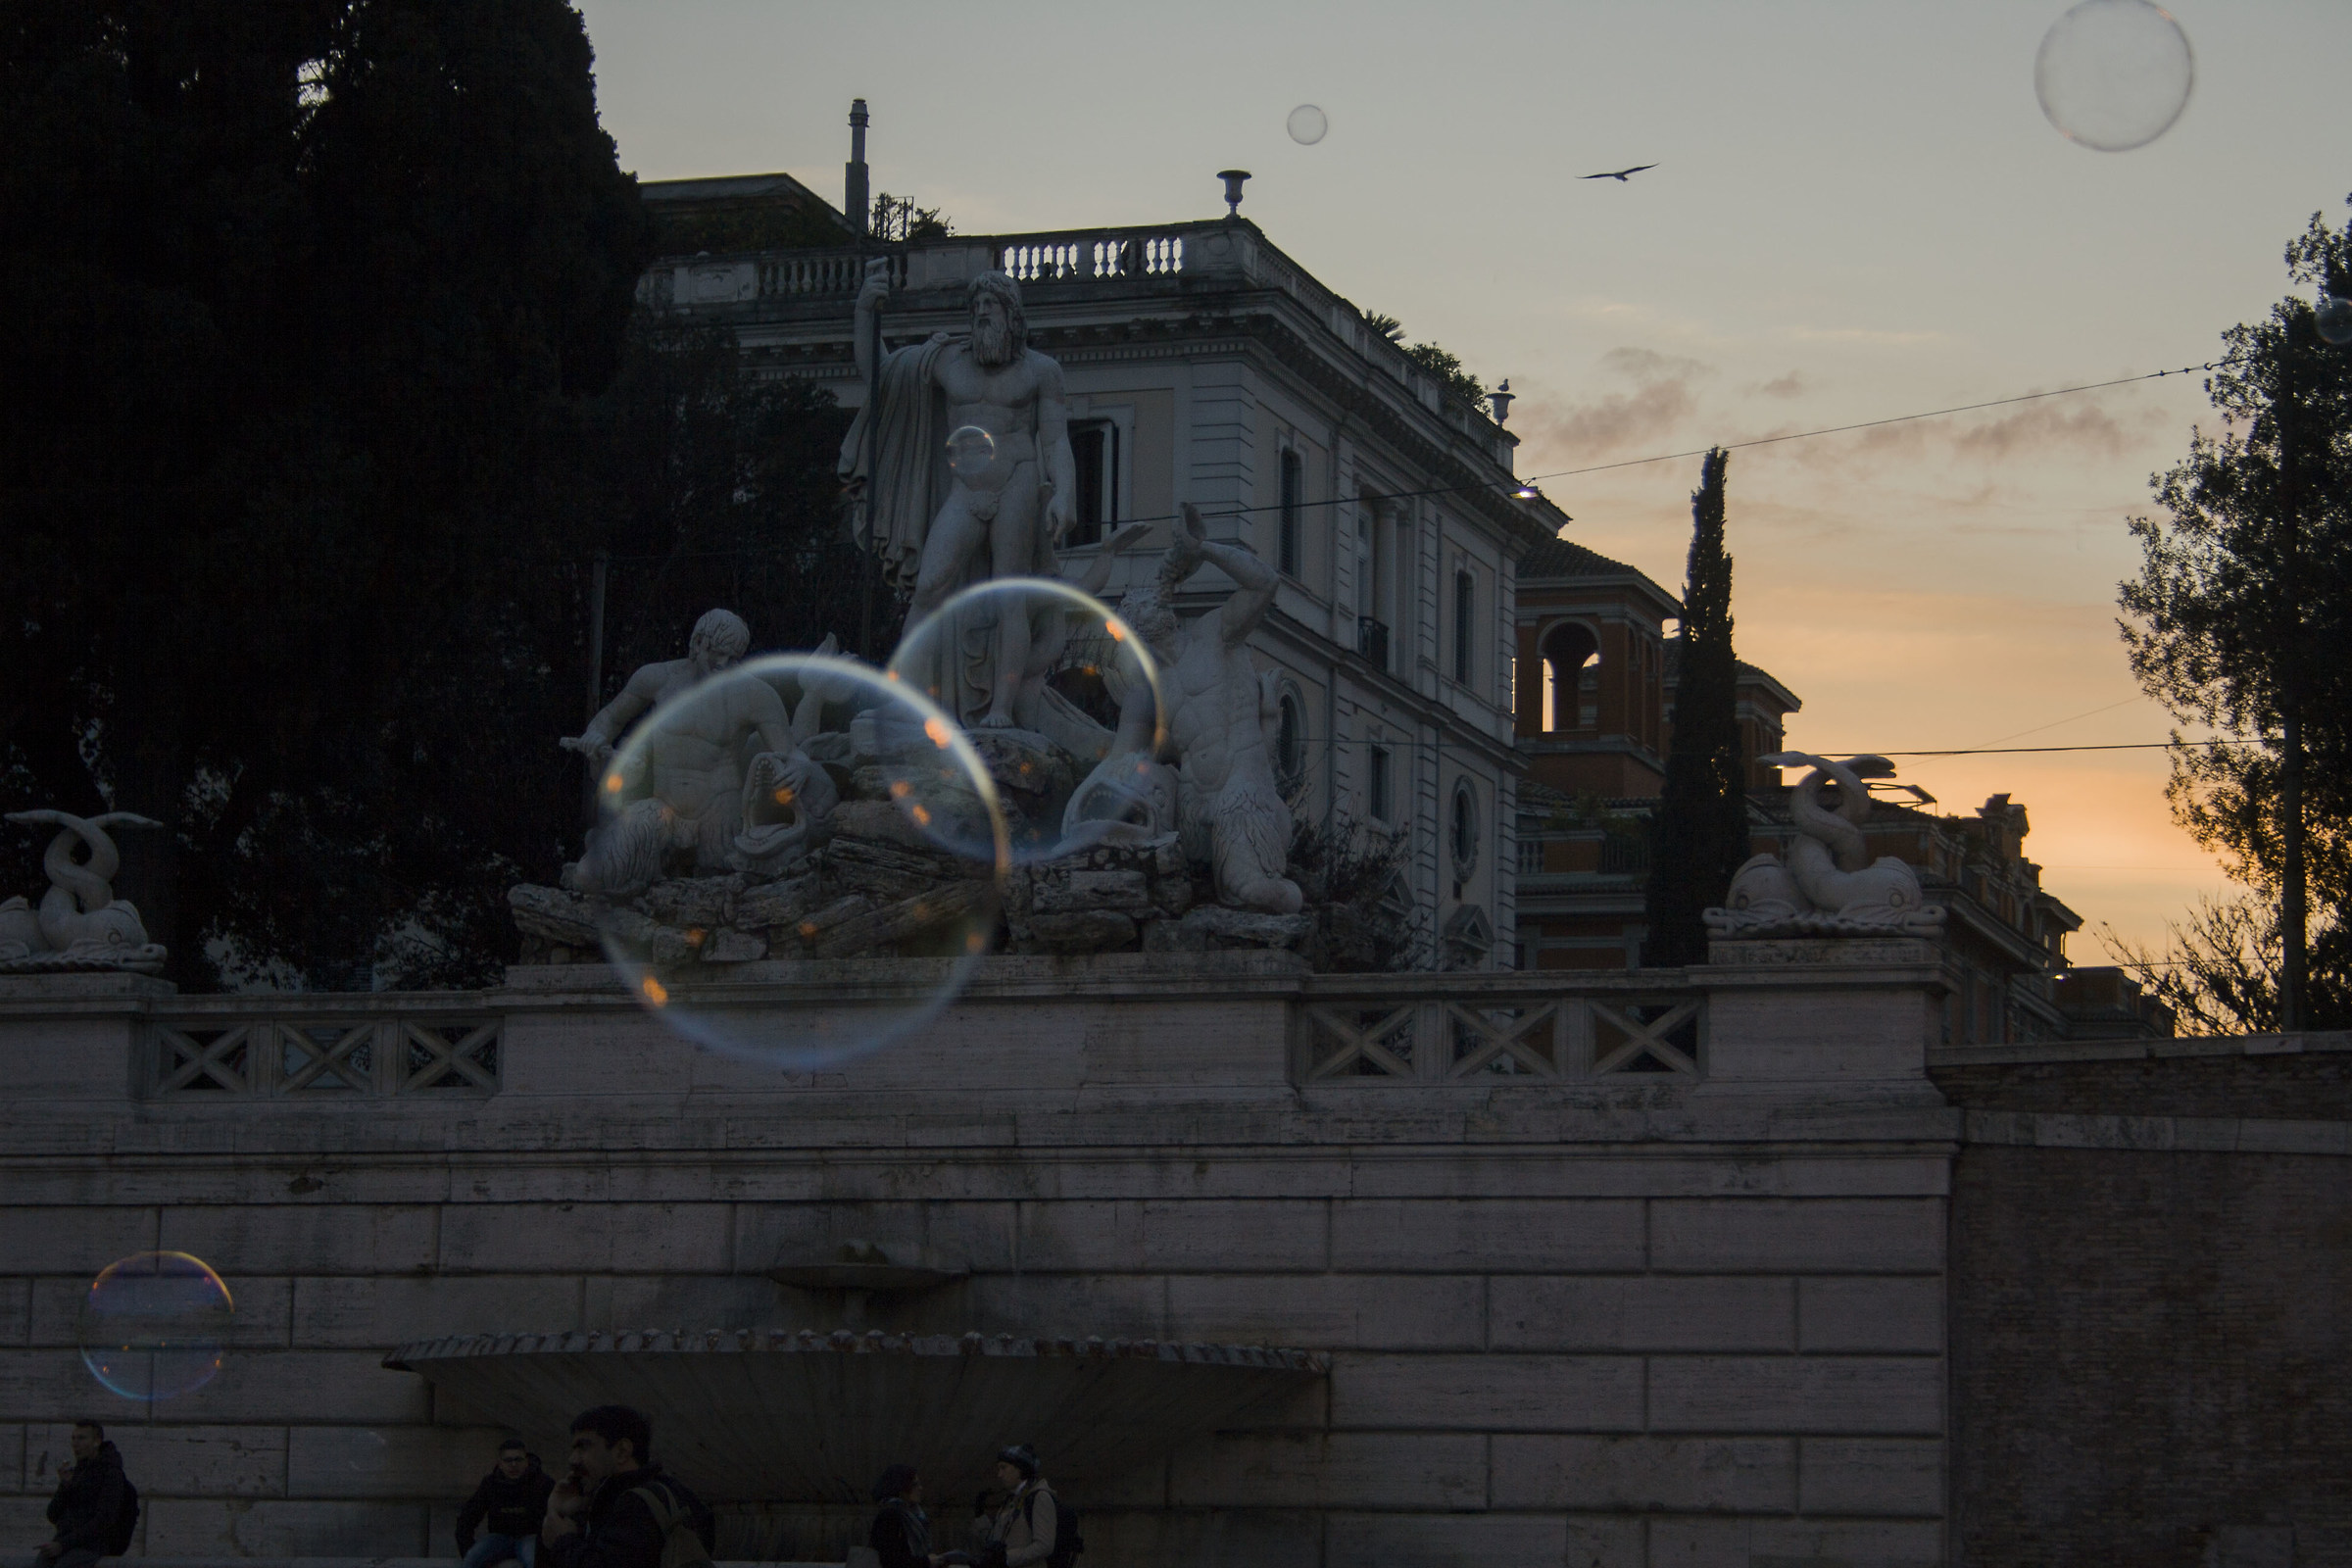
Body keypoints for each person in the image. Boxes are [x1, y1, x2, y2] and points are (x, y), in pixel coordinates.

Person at [845, 265, 1078, 729]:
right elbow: (881, 375)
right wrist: (865, 312)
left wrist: (1065, 493)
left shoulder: (1041, 371)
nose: (980, 316)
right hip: (965, 488)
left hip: (1017, 483)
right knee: (929, 589)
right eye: (975, 309)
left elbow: (1056, 440)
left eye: (989, 307)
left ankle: (1000, 711)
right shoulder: (947, 361)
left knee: (1009, 597)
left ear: (1012, 315)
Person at [540, 1405, 710, 1568]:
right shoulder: (663, 1491)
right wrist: (561, 1511)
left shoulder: (637, 1504)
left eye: (583, 1447)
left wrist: (562, 1542)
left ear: (622, 1451)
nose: (573, 1460)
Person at [34, 1421, 131, 1568]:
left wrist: (63, 1544)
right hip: (66, 1543)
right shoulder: (79, 1471)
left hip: (90, 1546)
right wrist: (65, 1486)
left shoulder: (111, 1473)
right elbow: (53, 1514)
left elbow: (103, 1519)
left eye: (81, 1438)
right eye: (73, 1438)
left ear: (96, 1442)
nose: (75, 1443)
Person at [456, 1438, 555, 1568]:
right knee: (471, 1560)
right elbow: (468, 1517)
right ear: (500, 1463)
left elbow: (558, 1516)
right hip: (499, 1538)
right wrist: (467, 1549)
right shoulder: (490, 1484)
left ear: (527, 1461)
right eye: (508, 1460)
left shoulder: (544, 1483)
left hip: (531, 1537)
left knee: (536, 1562)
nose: (513, 1465)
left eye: (518, 1459)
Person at [978, 1446, 1059, 1568]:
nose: (999, 1474)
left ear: (1020, 1469)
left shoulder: (1039, 1497)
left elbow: (1044, 1546)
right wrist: (980, 1517)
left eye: (1003, 1468)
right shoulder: (1010, 1500)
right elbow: (996, 1539)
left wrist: (1007, 1559)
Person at [864, 1464, 955, 1568]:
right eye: (915, 1484)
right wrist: (926, 1562)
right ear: (902, 1487)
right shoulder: (889, 1516)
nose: (920, 1488)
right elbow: (890, 1560)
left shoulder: (913, 1515)